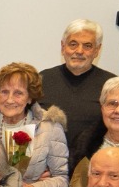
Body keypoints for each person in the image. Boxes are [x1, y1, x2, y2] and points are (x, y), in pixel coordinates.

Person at [39, 19, 115, 149]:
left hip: (94, 160)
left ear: (97, 50)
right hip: (47, 158)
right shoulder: (42, 79)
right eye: (73, 44)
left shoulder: (112, 85)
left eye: (87, 46)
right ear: (63, 47)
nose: (79, 51)